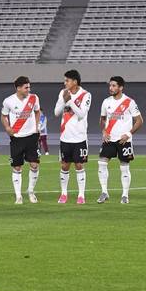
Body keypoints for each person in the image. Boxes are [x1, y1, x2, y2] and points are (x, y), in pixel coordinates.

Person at [97, 76, 143, 204]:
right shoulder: (106, 102)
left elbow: (139, 121)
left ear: (120, 87)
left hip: (124, 140)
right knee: (101, 163)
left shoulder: (129, 102)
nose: (111, 88)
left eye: (114, 86)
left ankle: (125, 195)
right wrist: (104, 131)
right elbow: (102, 119)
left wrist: (128, 134)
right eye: (110, 85)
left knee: (124, 167)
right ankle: (104, 192)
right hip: (109, 139)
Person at [1, 76, 41, 205]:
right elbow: (3, 116)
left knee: (34, 164)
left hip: (31, 137)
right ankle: (18, 196)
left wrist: (37, 127)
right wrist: (7, 127)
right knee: (17, 167)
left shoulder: (34, 98)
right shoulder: (8, 101)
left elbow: (37, 112)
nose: (28, 89)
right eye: (26, 87)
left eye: (29, 87)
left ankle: (31, 192)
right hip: (17, 138)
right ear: (18, 88)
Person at [54, 70, 91, 204]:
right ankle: (64, 194)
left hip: (79, 137)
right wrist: (64, 100)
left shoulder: (86, 95)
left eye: (67, 81)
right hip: (65, 136)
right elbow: (56, 113)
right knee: (64, 166)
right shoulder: (62, 93)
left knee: (79, 165)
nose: (65, 83)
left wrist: (71, 102)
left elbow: (81, 115)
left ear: (75, 82)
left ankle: (81, 195)